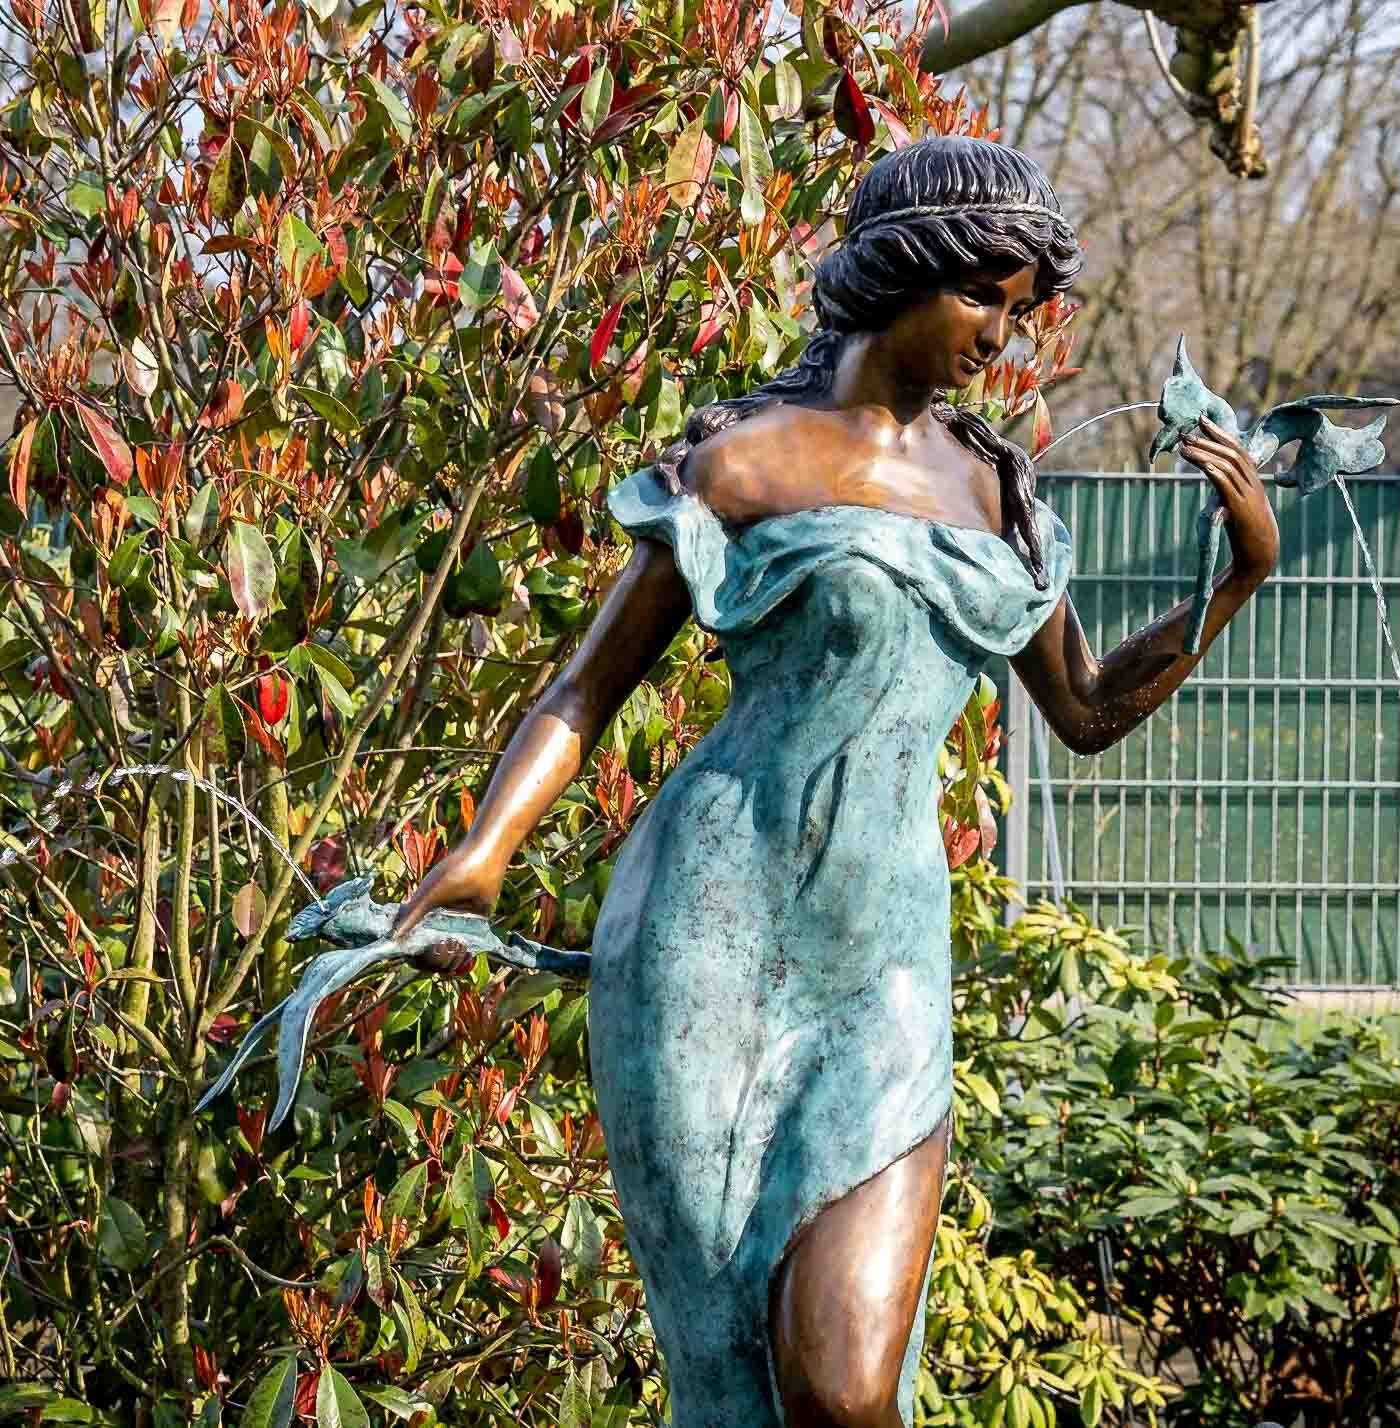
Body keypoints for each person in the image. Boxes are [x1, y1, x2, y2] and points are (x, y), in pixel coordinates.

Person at [392, 136, 1279, 1428]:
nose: (1002, 333)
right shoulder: (751, 462)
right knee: (727, 1372)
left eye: (1022, 306)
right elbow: (585, 692)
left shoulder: (991, 493)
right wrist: (482, 852)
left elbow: (1083, 709)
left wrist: (1235, 577)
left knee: (846, 1388)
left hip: (888, 969)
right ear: (900, 272)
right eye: (983, 293)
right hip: (705, 935)